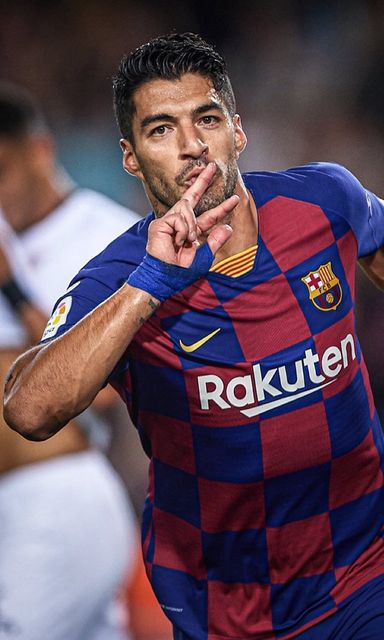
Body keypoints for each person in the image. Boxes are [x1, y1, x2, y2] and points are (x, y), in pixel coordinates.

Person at [4, 33, 384, 640]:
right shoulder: (117, 279)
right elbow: (28, 410)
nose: (192, 145)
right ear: (131, 158)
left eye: (207, 119)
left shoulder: (321, 201)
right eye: (162, 129)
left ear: (237, 131)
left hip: (372, 568)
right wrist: (150, 286)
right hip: (230, 607)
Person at [0, 83, 140, 640]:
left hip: (55, 494)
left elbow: (104, 392)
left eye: (2, 171)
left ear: (40, 151)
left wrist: (12, 286)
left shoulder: (107, 237)